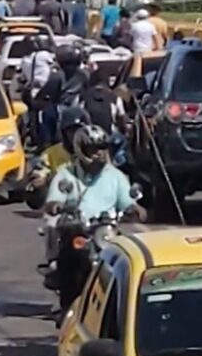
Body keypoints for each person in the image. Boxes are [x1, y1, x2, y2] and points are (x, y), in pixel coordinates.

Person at [45, 125, 147, 311]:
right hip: (79, 232)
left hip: (105, 232)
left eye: (102, 148)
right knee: (70, 258)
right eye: (94, 149)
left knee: (128, 264)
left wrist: (135, 208)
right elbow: (53, 200)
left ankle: (123, 308)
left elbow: (127, 200)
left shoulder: (115, 176)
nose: (99, 153)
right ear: (81, 149)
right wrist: (57, 205)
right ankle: (67, 306)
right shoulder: (66, 175)